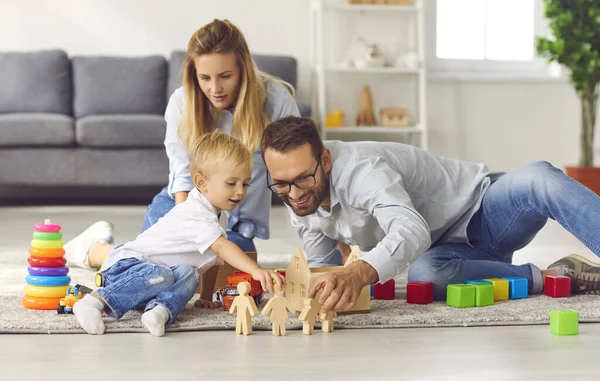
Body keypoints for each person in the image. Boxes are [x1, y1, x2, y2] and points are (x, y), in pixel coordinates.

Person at [260, 116, 600, 314]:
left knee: (539, 177)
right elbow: (325, 270)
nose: (295, 194)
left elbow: (411, 230)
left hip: (485, 212)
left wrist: (360, 272)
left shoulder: (362, 170)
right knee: (424, 275)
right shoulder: (299, 205)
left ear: (327, 160)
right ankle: (553, 275)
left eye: (304, 178)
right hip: (449, 255)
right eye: (281, 184)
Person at [64, 18, 300, 270]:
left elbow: (297, 170)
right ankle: (93, 250)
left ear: (244, 69)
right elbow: (182, 176)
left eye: (226, 76)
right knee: (160, 266)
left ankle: (102, 249)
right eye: (205, 78)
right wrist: (188, 240)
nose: (215, 88)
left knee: (227, 272)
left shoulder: (276, 100)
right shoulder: (182, 103)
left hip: (234, 223)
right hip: (181, 209)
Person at [72, 132, 284, 336]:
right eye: (231, 183)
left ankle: (160, 310)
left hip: (153, 284)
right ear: (202, 183)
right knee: (163, 275)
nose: (240, 191)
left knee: (188, 273)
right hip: (124, 271)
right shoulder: (195, 213)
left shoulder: (217, 215)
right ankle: (93, 302)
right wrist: (255, 269)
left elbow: (212, 257)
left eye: (245, 183)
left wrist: (207, 296)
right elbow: (221, 247)